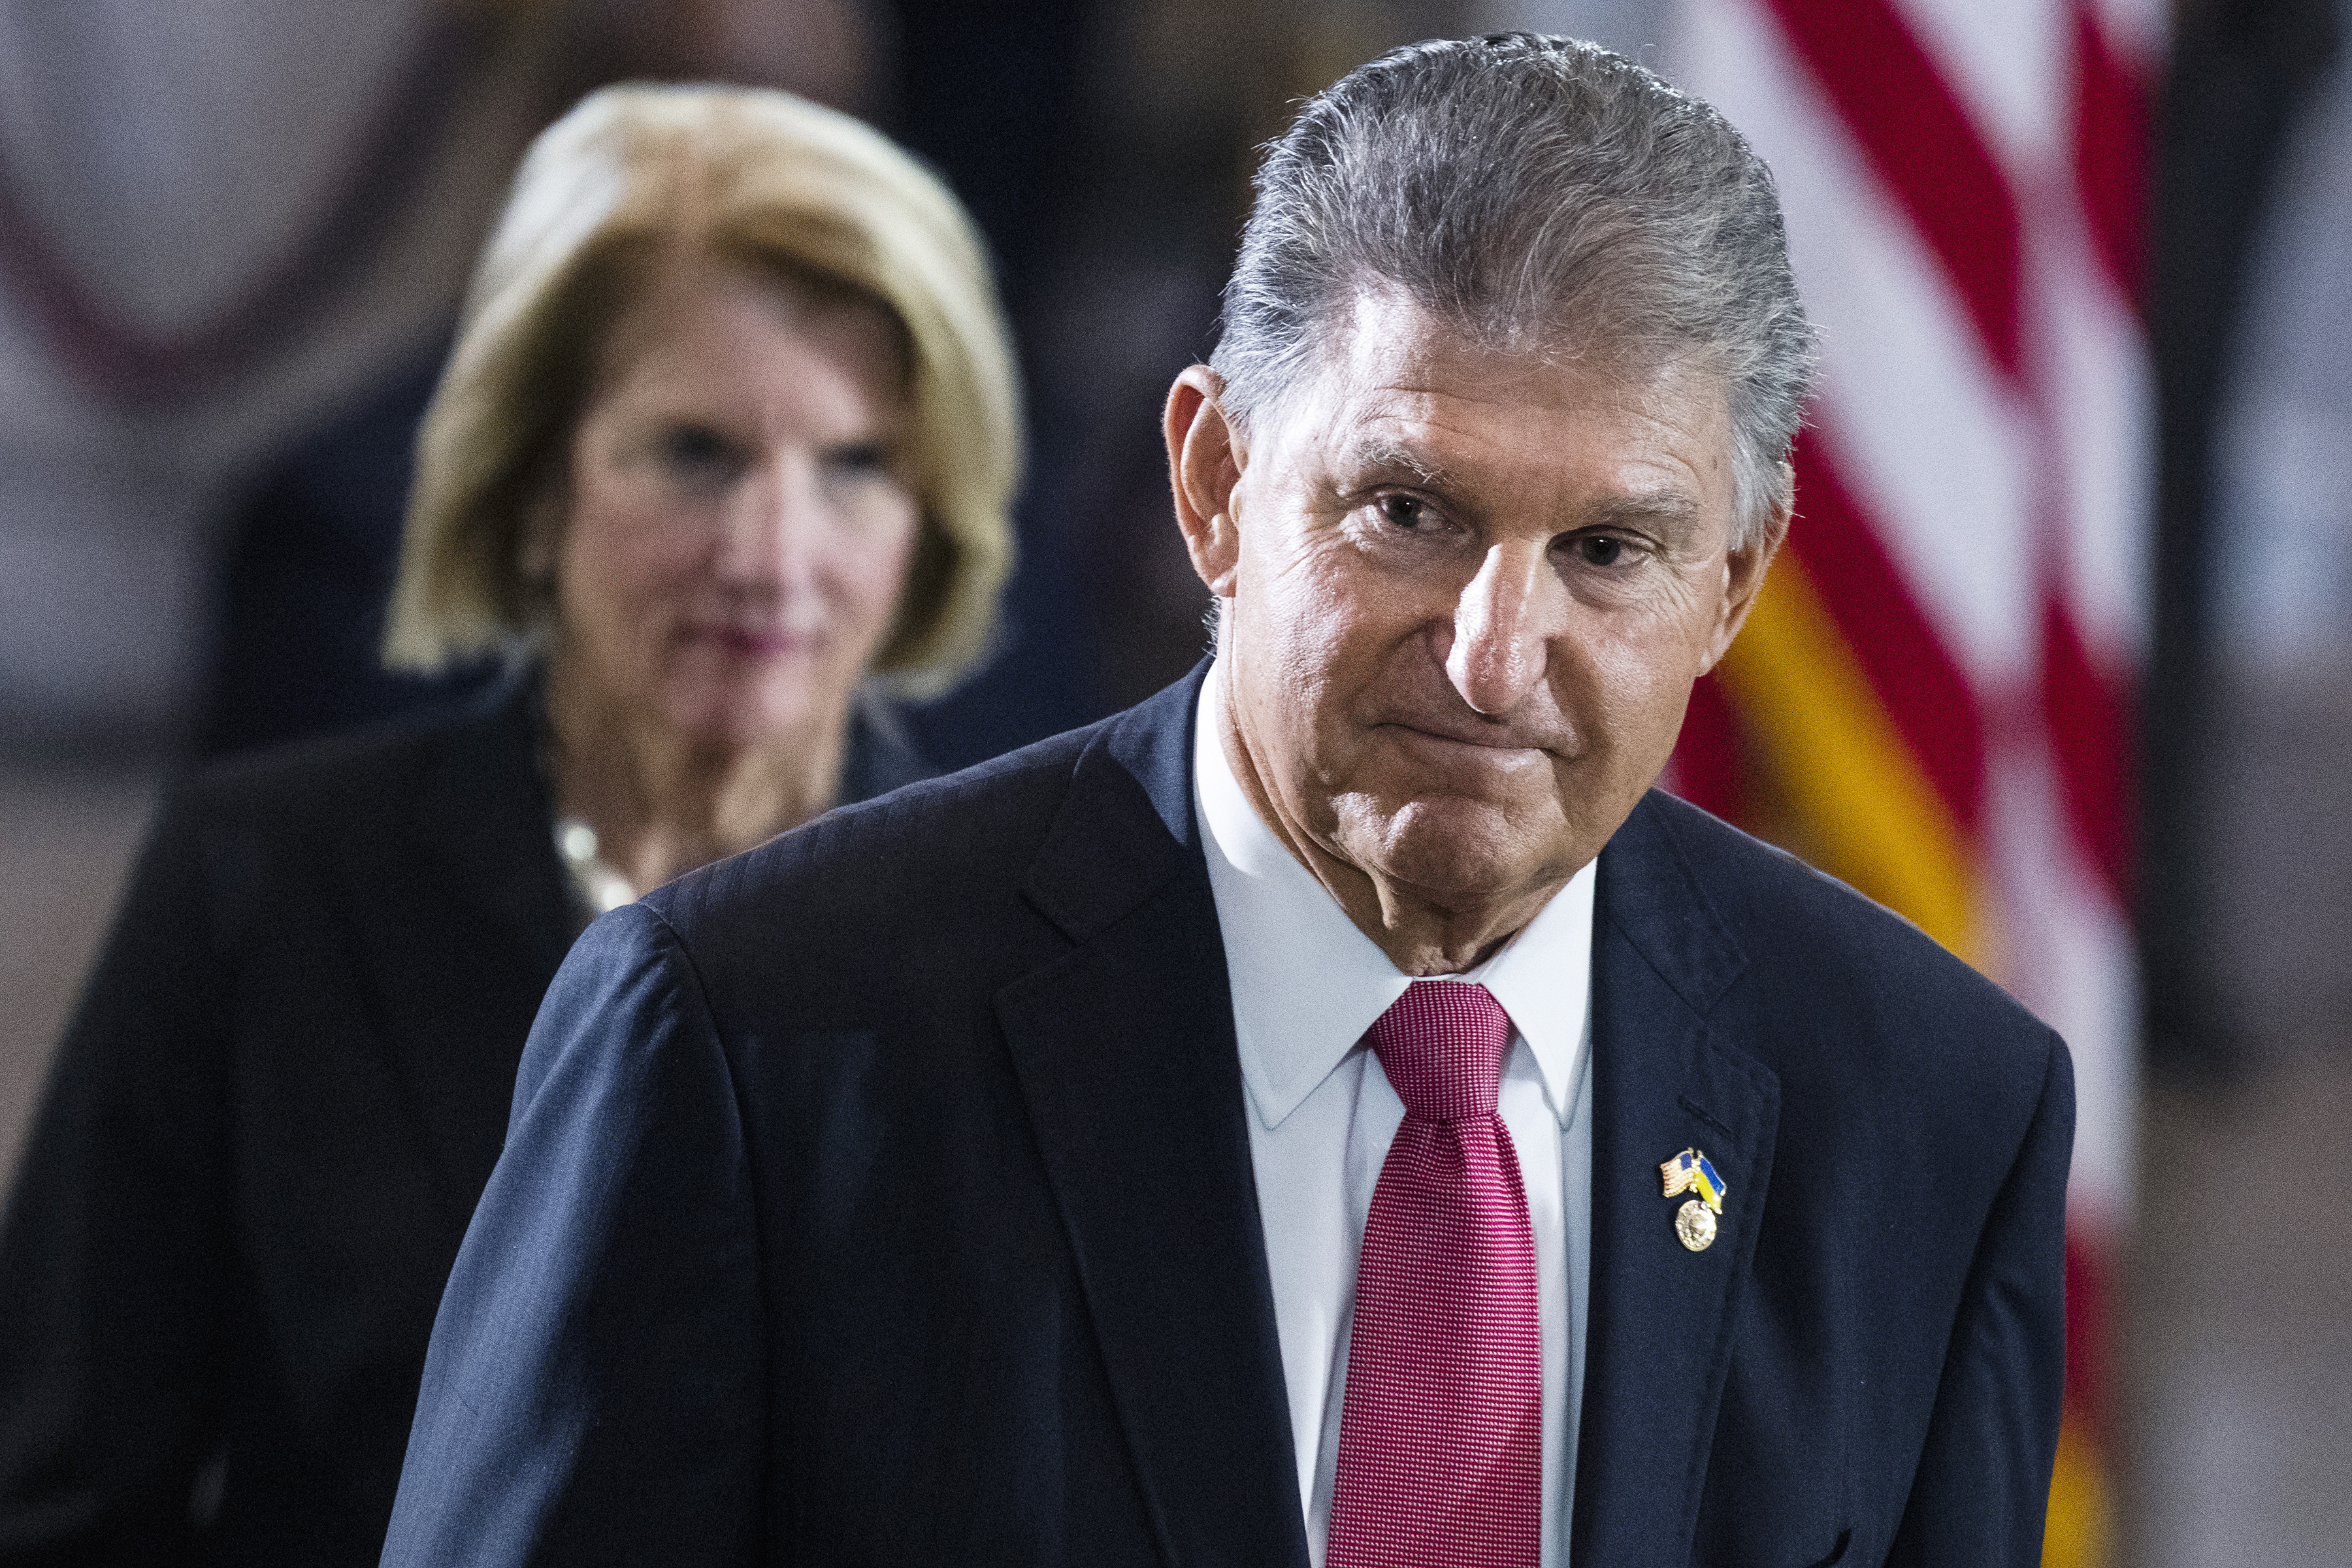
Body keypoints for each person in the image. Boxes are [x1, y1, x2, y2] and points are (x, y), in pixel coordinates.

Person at [384, 37, 2071, 1568]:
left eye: (1606, 552)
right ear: (1214, 488)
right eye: (1408, 511)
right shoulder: (752, 1052)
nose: (1495, 654)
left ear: (1730, 583)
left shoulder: (1928, 1117)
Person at [0, 84, 1020, 1567]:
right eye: (693, 454)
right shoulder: (259, 892)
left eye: (857, 466)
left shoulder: (1030, 934)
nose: (774, 554)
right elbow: (57, 1505)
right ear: (533, 485)